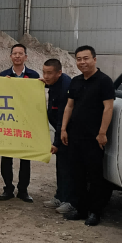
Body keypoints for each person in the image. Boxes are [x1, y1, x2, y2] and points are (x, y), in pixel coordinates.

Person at [60, 46, 116, 226]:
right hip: (75, 136)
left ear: (94, 59)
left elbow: (108, 108)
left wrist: (102, 133)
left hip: (94, 138)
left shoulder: (104, 81)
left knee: (95, 176)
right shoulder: (75, 81)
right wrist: (63, 129)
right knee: (77, 175)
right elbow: (69, 106)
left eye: (86, 58)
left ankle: (95, 212)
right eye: (79, 59)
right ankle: (81, 209)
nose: (82, 62)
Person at [0, 43, 39, 202]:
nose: (17, 56)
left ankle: (23, 190)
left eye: (20, 53)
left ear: (25, 57)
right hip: (8, 122)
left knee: (25, 158)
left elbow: (36, 99)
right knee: (6, 157)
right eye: (14, 53)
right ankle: (8, 188)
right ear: (10, 57)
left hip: (25, 122)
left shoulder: (34, 76)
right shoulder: (3, 75)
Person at [41, 59, 73, 212]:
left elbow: (62, 119)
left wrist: (57, 143)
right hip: (61, 131)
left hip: (68, 134)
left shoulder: (64, 89)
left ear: (59, 73)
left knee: (68, 168)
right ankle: (59, 196)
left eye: (49, 73)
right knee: (61, 167)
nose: (46, 76)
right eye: (44, 72)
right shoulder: (55, 83)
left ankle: (69, 201)